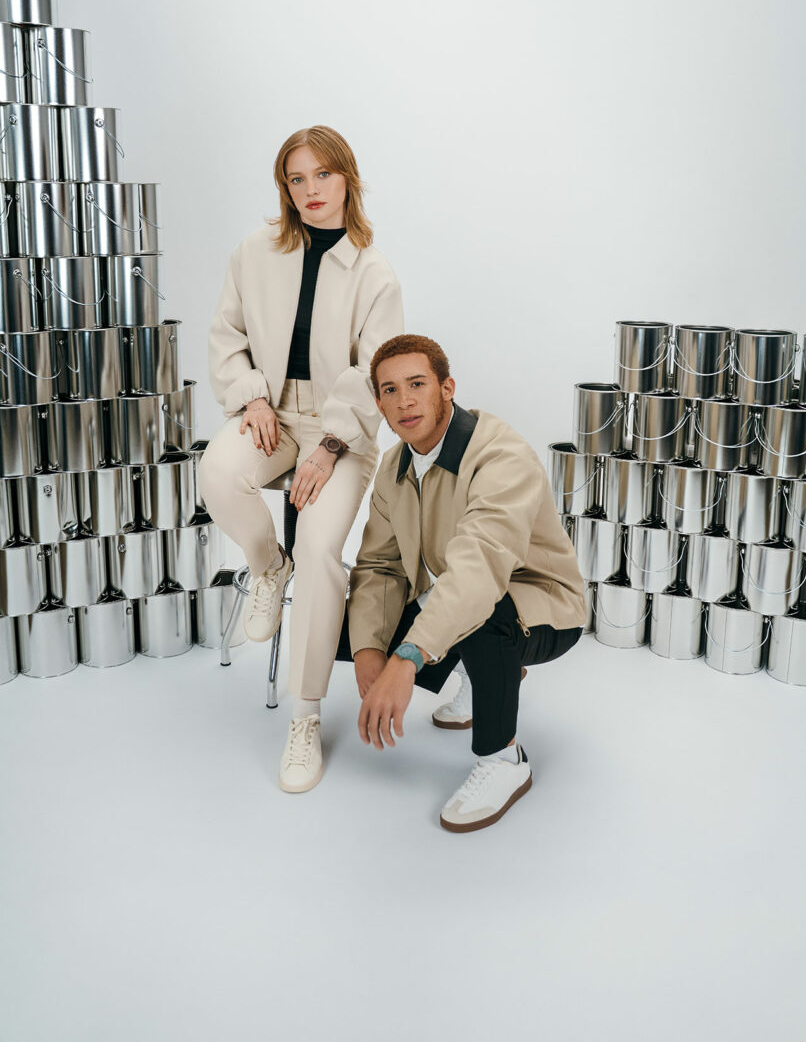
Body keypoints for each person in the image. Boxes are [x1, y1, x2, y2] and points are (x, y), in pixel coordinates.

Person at [200, 126, 403, 793]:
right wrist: (249, 396)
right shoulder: (253, 252)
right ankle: (266, 565)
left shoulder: (374, 273)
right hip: (272, 414)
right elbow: (227, 333)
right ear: (284, 187)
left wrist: (331, 444)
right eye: (297, 178)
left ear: (347, 178)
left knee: (319, 546)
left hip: (340, 429)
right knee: (218, 471)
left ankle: (306, 715)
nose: (311, 190)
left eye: (323, 175)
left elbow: (377, 371)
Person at [345, 334, 587, 832]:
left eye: (417, 384)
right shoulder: (394, 467)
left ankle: (505, 760)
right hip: (464, 590)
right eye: (389, 390)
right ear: (379, 404)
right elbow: (379, 567)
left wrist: (407, 658)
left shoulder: (501, 455)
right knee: (353, 621)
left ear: (447, 387)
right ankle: (482, 680)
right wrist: (371, 650)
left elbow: (479, 569)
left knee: (482, 613)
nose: (405, 401)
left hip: (543, 607)